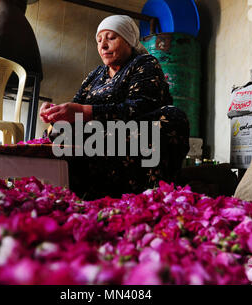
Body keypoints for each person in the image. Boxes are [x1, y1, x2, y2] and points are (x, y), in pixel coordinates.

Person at [39, 15, 190, 200]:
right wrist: (56, 112)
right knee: (58, 130)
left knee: (172, 117)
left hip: (131, 133)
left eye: (111, 38)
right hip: (97, 135)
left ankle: (143, 193)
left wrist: (83, 111)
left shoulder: (144, 63)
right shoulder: (95, 74)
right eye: (99, 40)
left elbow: (139, 107)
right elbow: (76, 103)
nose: (103, 46)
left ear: (129, 41)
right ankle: (81, 191)